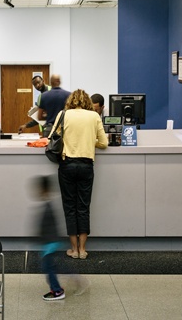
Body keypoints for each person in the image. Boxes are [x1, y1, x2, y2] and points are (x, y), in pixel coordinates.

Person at [51, 89, 108, 260]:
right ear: (88, 103)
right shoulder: (94, 117)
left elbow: (52, 137)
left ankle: (73, 250)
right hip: (86, 165)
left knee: (70, 207)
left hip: (67, 165)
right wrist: (91, 141)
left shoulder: (63, 114)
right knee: (83, 207)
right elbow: (104, 143)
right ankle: (83, 250)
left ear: (71, 101)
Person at [32, 175, 66, 301]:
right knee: (51, 267)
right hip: (50, 243)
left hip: (49, 244)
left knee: (48, 268)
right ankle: (57, 288)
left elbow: (48, 227)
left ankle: (57, 291)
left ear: (44, 190)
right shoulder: (48, 204)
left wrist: (45, 242)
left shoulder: (48, 207)